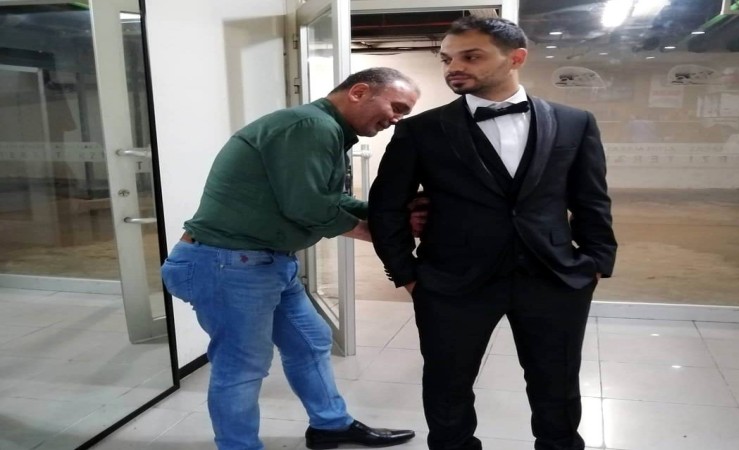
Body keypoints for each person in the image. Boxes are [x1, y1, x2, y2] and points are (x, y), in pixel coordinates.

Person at [368, 17, 617, 450]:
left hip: (554, 278)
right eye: (447, 59)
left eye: (471, 56)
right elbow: (387, 206)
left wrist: (595, 262)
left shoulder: (574, 122)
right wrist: (406, 274)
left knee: (557, 383)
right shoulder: (420, 130)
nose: (454, 68)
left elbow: (591, 198)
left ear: (516, 58)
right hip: (451, 281)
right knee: (447, 384)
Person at [161, 67, 420, 450]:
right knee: (242, 364)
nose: (396, 119)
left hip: (263, 264)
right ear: (359, 92)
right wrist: (383, 234)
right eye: (396, 107)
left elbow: (327, 199)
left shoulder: (325, 129)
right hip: (228, 264)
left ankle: (330, 426)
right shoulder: (311, 127)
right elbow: (308, 207)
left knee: (310, 342)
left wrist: (388, 215)